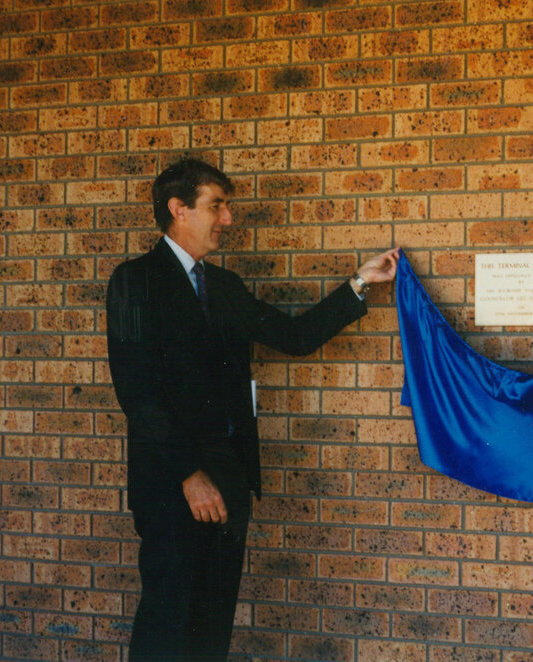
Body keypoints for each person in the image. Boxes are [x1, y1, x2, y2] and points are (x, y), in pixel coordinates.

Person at [106, 157, 399, 661]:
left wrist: (360, 283)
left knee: (211, 628)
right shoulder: (135, 281)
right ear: (178, 209)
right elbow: (138, 394)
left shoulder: (224, 287)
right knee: (167, 620)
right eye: (216, 206)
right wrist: (190, 475)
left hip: (228, 480)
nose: (228, 219)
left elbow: (295, 336)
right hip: (173, 483)